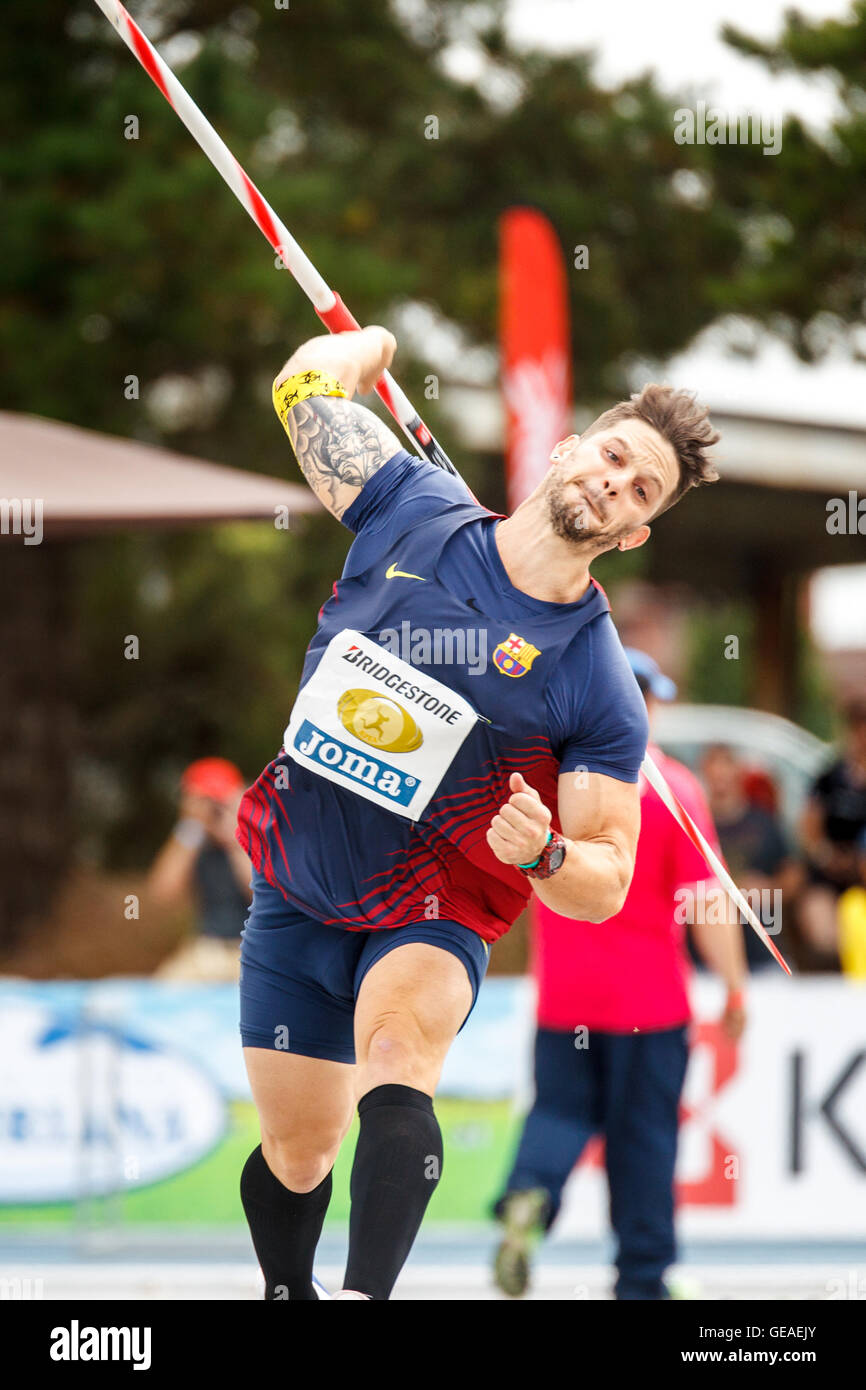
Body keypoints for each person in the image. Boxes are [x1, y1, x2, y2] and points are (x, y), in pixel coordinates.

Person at [235, 325, 720, 1300]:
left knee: (396, 1058)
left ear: (634, 534)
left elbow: (604, 881)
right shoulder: (414, 507)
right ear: (567, 446)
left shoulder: (594, 683)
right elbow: (299, 389)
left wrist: (543, 852)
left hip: (435, 906)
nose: (614, 484)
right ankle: (283, 1290)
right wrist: (366, 349)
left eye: (639, 493)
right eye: (614, 456)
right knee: (297, 1149)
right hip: (298, 881)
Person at [491, 650, 747, 1301]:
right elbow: (708, 903)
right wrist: (737, 987)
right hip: (649, 1003)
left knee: (557, 1112)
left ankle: (531, 1194)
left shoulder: (553, 784)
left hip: (565, 998)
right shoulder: (674, 790)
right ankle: (642, 1276)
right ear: (644, 706)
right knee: (643, 1141)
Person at [699, 744, 801, 972]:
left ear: (738, 773)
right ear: (704, 772)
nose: (720, 777)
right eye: (713, 769)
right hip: (707, 962)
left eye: (726, 767)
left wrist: (768, 887)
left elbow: (794, 876)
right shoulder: (695, 825)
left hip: (764, 955)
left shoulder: (763, 821)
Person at [148, 758, 251, 981]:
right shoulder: (191, 841)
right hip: (205, 949)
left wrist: (236, 838)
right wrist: (190, 828)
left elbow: (261, 895)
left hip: (254, 949)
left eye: (219, 800)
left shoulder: (258, 838)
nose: (213, 809)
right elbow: (162, 895)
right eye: (205, 800)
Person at [798, 699, 866, 968]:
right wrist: (825, 856)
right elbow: (809, 828)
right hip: (829, 876)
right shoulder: (829, 777)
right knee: (823, 932)